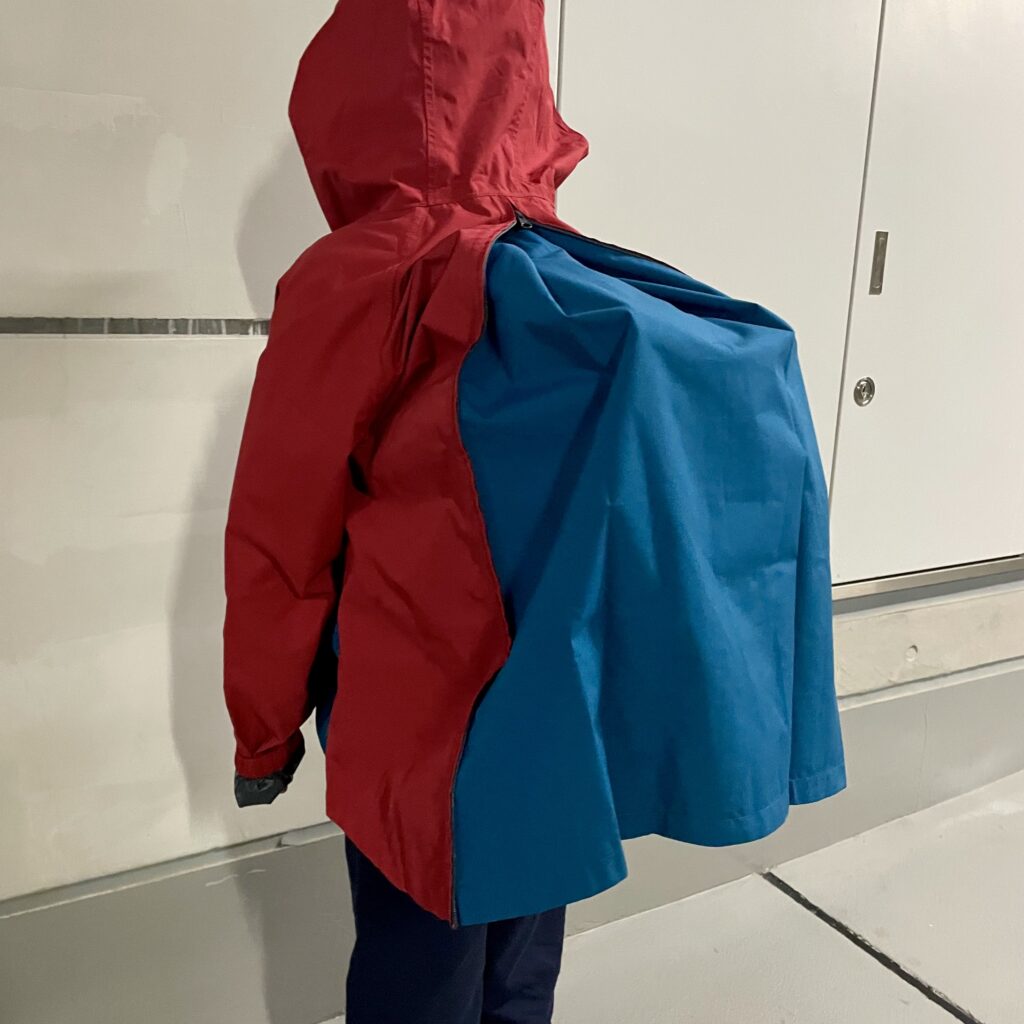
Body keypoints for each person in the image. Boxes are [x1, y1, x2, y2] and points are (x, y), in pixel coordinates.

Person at [223, 2, 846, 1021]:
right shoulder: (611, 298)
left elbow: (277, 541)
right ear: (522, 86)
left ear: (346, 100)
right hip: (557, 719)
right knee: (520, 972)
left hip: (413, 735)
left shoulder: (347, 285)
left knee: (417, 973)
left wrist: (262, 734)